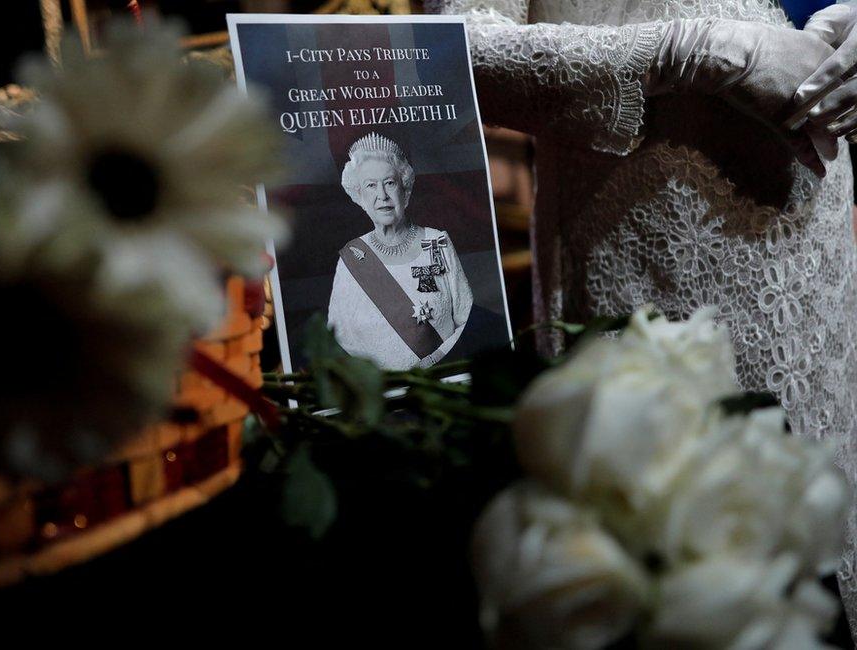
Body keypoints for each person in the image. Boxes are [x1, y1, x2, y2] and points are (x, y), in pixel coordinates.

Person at [428, 0, 857, 633]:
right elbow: (454, 49)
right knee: (670, 559)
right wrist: (692, 50)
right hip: (648, 261)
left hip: (819, 271)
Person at [327, 133, 473, 370]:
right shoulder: (352, 257)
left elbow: (466, 317)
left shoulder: (437, 241)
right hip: (382, 392)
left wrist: (434, 362)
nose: (382, 195)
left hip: (443, 378)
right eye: (371, 186)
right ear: (360, 197)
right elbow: (338, 337)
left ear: (405, 190)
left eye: (390, 183)